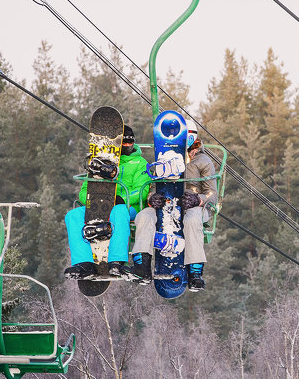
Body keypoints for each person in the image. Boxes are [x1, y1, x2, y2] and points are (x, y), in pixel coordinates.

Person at [128, 119, 218, 291]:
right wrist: (153, 198)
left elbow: (212, 194)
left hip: (193, 208)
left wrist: (197, 199)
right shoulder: (164, 159)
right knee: (144, 216)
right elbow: (152, 186)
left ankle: (195, 271)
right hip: (167, 205)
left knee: (192, 220)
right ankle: (142, 265)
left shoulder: (202, 161)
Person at [63, 124, 151, 280]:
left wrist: (123, 199)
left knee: (119, 212)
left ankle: (116, 261)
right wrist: (92, 200)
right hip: (100, 204)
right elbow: (84, 191)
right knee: (73, 215)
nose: (127, 146)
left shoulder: (140, 163)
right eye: (124, 143)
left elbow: (142, 191)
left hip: (128, 205)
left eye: (130, 143)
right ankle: (84, 263)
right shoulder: (101, 163)